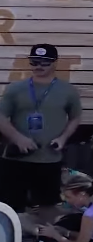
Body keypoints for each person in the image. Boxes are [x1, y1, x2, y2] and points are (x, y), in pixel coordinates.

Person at [0, 43, 83, 213]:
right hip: (17, 159)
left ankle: (44, 237)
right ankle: (10, 238)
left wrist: (63, 138)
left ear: (55, 63)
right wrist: (18, 138)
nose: (38, 66)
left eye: (44, 62)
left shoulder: (67, 91)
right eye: (34, 62)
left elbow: (75, 117)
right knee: (10, 207)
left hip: (49, 159)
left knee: (48, 206)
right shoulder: (15, 89)